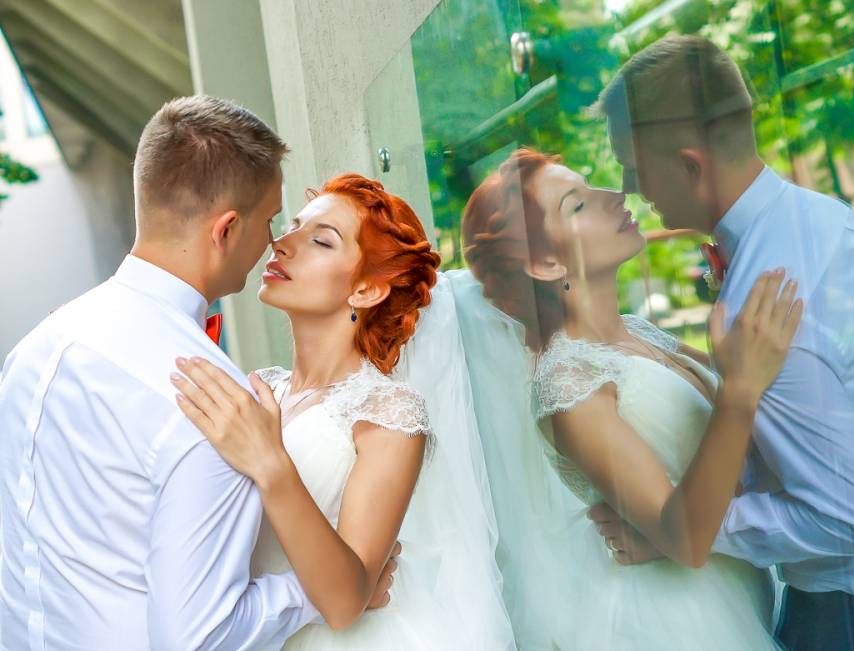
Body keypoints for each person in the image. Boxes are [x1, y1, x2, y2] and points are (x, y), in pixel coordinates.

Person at [592, 34, 854, 650]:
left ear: (691, 165)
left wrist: (685, 529)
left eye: (633, 166)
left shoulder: (767, 299)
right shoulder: (833, 221)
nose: (629, 186)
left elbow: (849, 517)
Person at [0, 95, 400, 649]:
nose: (274, 243)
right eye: (271, 220)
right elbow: (199, 639)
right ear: (226, 230)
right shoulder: (216, 408)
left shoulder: (37, 348)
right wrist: (323, 590)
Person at [460, 147, 802, 649]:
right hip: (678, 621)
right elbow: (686, 538)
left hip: (733, 587)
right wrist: (739, 392)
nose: (614, 195)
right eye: (578, 204)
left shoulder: (639, 332)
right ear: (545, 262)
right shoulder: (568, 386)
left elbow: (742, 453)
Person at [171, 174, 514, 650]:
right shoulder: (257, 390)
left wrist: (271, 463)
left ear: (367, 291)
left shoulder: (389, 415)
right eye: (291, 228)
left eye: (321, 241)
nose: (282, 244)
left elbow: (345, 601)